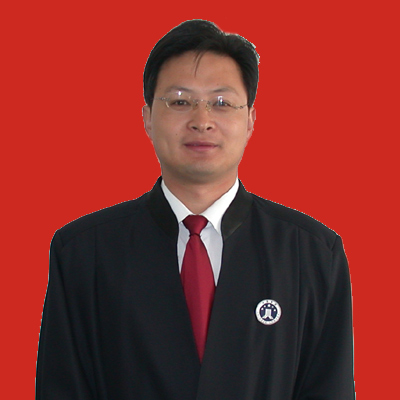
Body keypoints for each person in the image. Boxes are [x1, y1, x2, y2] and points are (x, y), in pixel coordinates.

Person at [36, 20, 355, 400]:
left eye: (221, 103)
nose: (202, 121)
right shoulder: (83, 253)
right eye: (180, 101)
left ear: (250, 120)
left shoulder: (311, 254)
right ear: (147, 118)